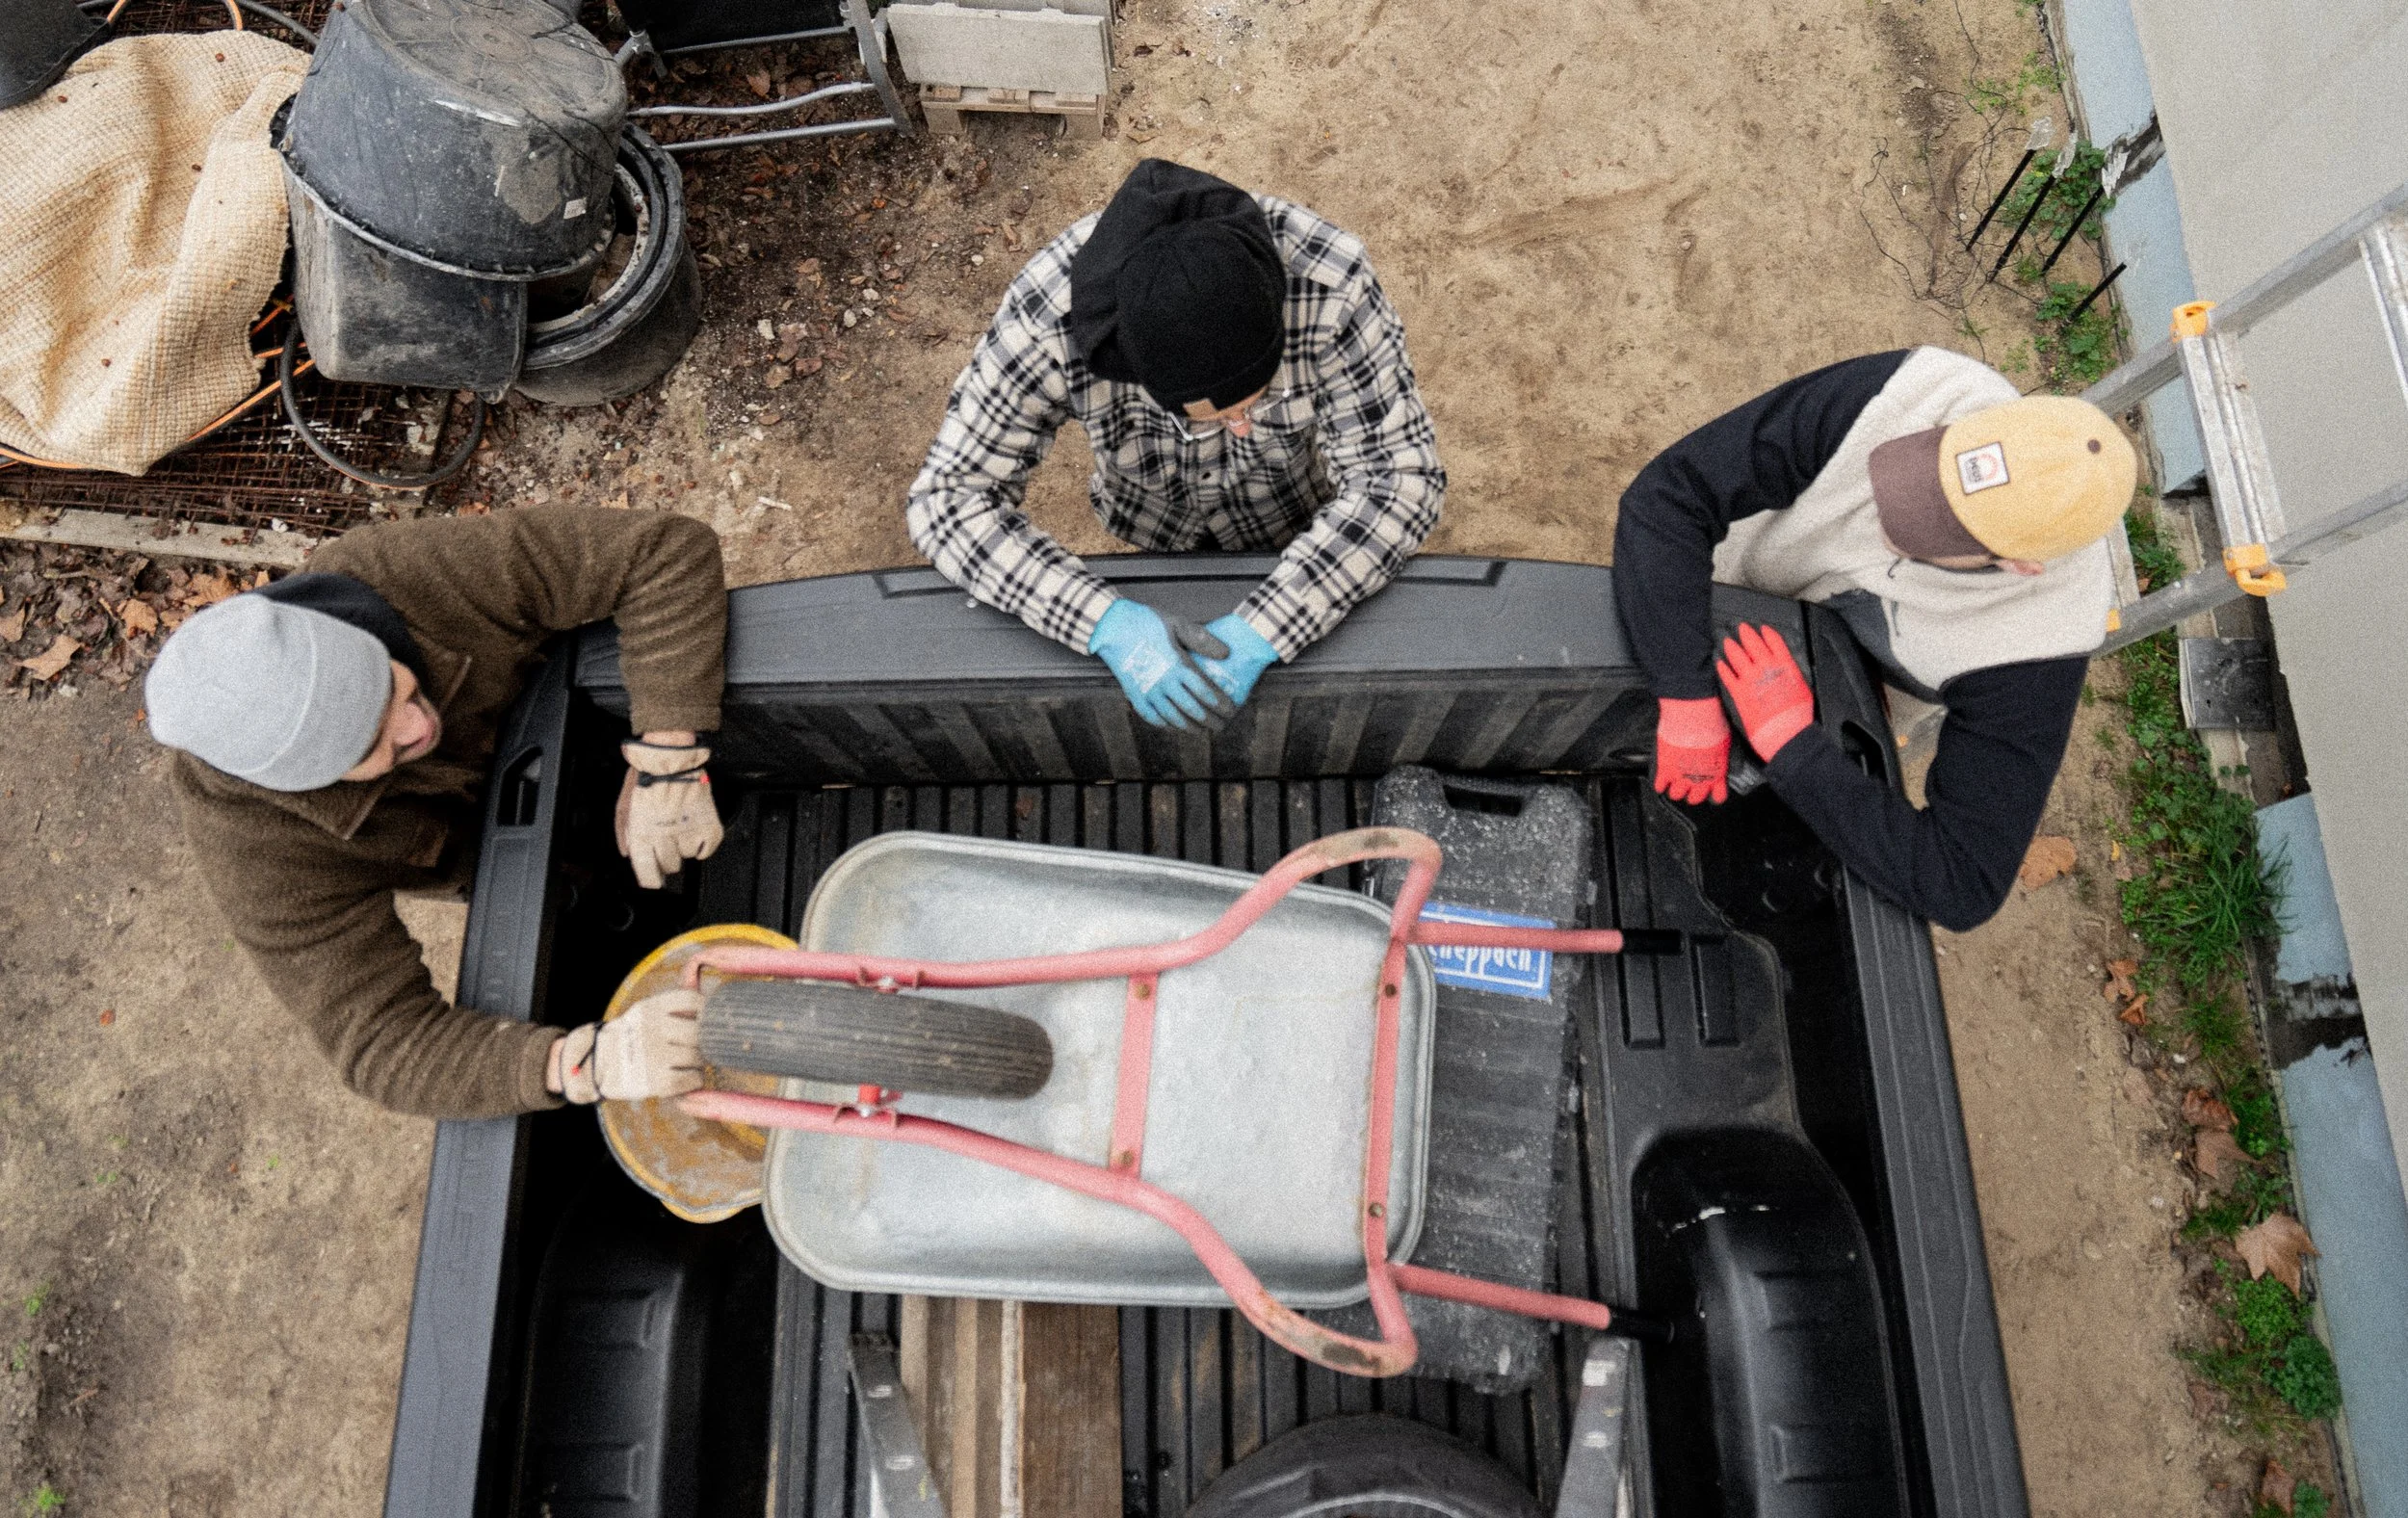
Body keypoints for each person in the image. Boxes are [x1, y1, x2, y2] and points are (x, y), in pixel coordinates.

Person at [144, 507, 728, 1119]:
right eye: (372, 747)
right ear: (305, 785)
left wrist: (669, 754)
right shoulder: (256, 848)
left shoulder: (402, 577)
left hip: (587, 733)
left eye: (391, 685)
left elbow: (662, 552)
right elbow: (381, 1044)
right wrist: (583, 1064)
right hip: (512, 866)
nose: (417, 726)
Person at [906, 158, 1446, 729]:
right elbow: (947, 499)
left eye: (1256, 403)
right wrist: (1102, 621)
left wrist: (1271, 625)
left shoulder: (1332, 284)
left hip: (1291, 511)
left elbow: (1399, 479)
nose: (1243, 428)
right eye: (1208, 418)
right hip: (1150, 522)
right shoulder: (1043, 321)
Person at [1612, 346, 2137, 931]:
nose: (1895, 510)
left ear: (2018, 565)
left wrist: (1794, 746)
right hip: (1731, 590)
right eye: (1923, 471)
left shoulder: (2037, 649)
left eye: (1933, 526)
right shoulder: (1915, 391)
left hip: (1841, 701)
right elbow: (1672, 494)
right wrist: (1685, 695)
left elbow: (1962, 882)